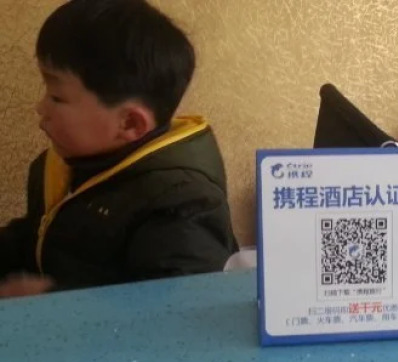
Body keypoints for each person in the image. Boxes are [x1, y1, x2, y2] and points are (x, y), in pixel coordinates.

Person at [0, 0, 238, 296]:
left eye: (57, 97)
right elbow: (37, 239)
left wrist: (50, 298)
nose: (40, 108)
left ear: (129, 123)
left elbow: (175, 306)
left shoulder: (184, 204)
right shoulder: (63, 167)